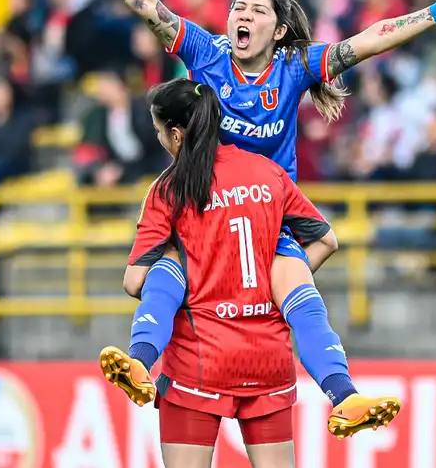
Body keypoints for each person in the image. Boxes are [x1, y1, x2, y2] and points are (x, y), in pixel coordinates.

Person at [65, 0, 436, 423]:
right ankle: (140, 364)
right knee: (168, 269)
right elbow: (144, 1)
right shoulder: (207, 52)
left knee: (301, 287)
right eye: (239, 6)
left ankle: (344, 397)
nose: (243, 15)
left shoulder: (295, 66)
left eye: (258, 10)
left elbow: (370, 39)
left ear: (279, 30)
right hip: (207, 208)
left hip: (267, 216)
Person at [102, 79, 400, 467]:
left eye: (160, 132)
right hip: (267, 358)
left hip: (200, 358)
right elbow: (326, 241)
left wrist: (190, 268)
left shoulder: (170, 189)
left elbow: (133, 282)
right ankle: (343, 393)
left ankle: (141, 358)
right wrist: (271, 279)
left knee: (169, 261)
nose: (160, 140)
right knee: (289, 265)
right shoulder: (267, 172)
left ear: (176, 134)